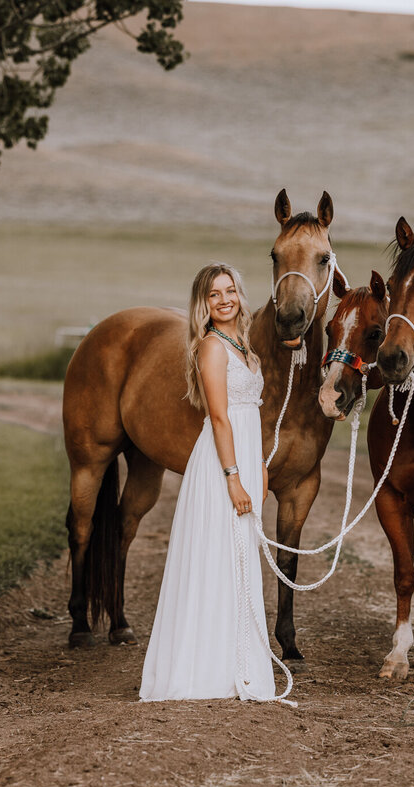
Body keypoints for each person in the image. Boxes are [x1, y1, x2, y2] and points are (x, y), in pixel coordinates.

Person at [139, 262, 289, 703]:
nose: (224, 300)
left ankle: (236, 663)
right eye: (214, 294)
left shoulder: (244, 346)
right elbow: (220, 417)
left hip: (245, 457)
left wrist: (260, 463)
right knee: (216, 559)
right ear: (203, 304)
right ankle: (202, 670)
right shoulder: (210, 347)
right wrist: (233, 477)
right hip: (221, 465)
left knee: (239, 561)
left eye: (230, 291)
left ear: (240, 296)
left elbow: (252, 414)